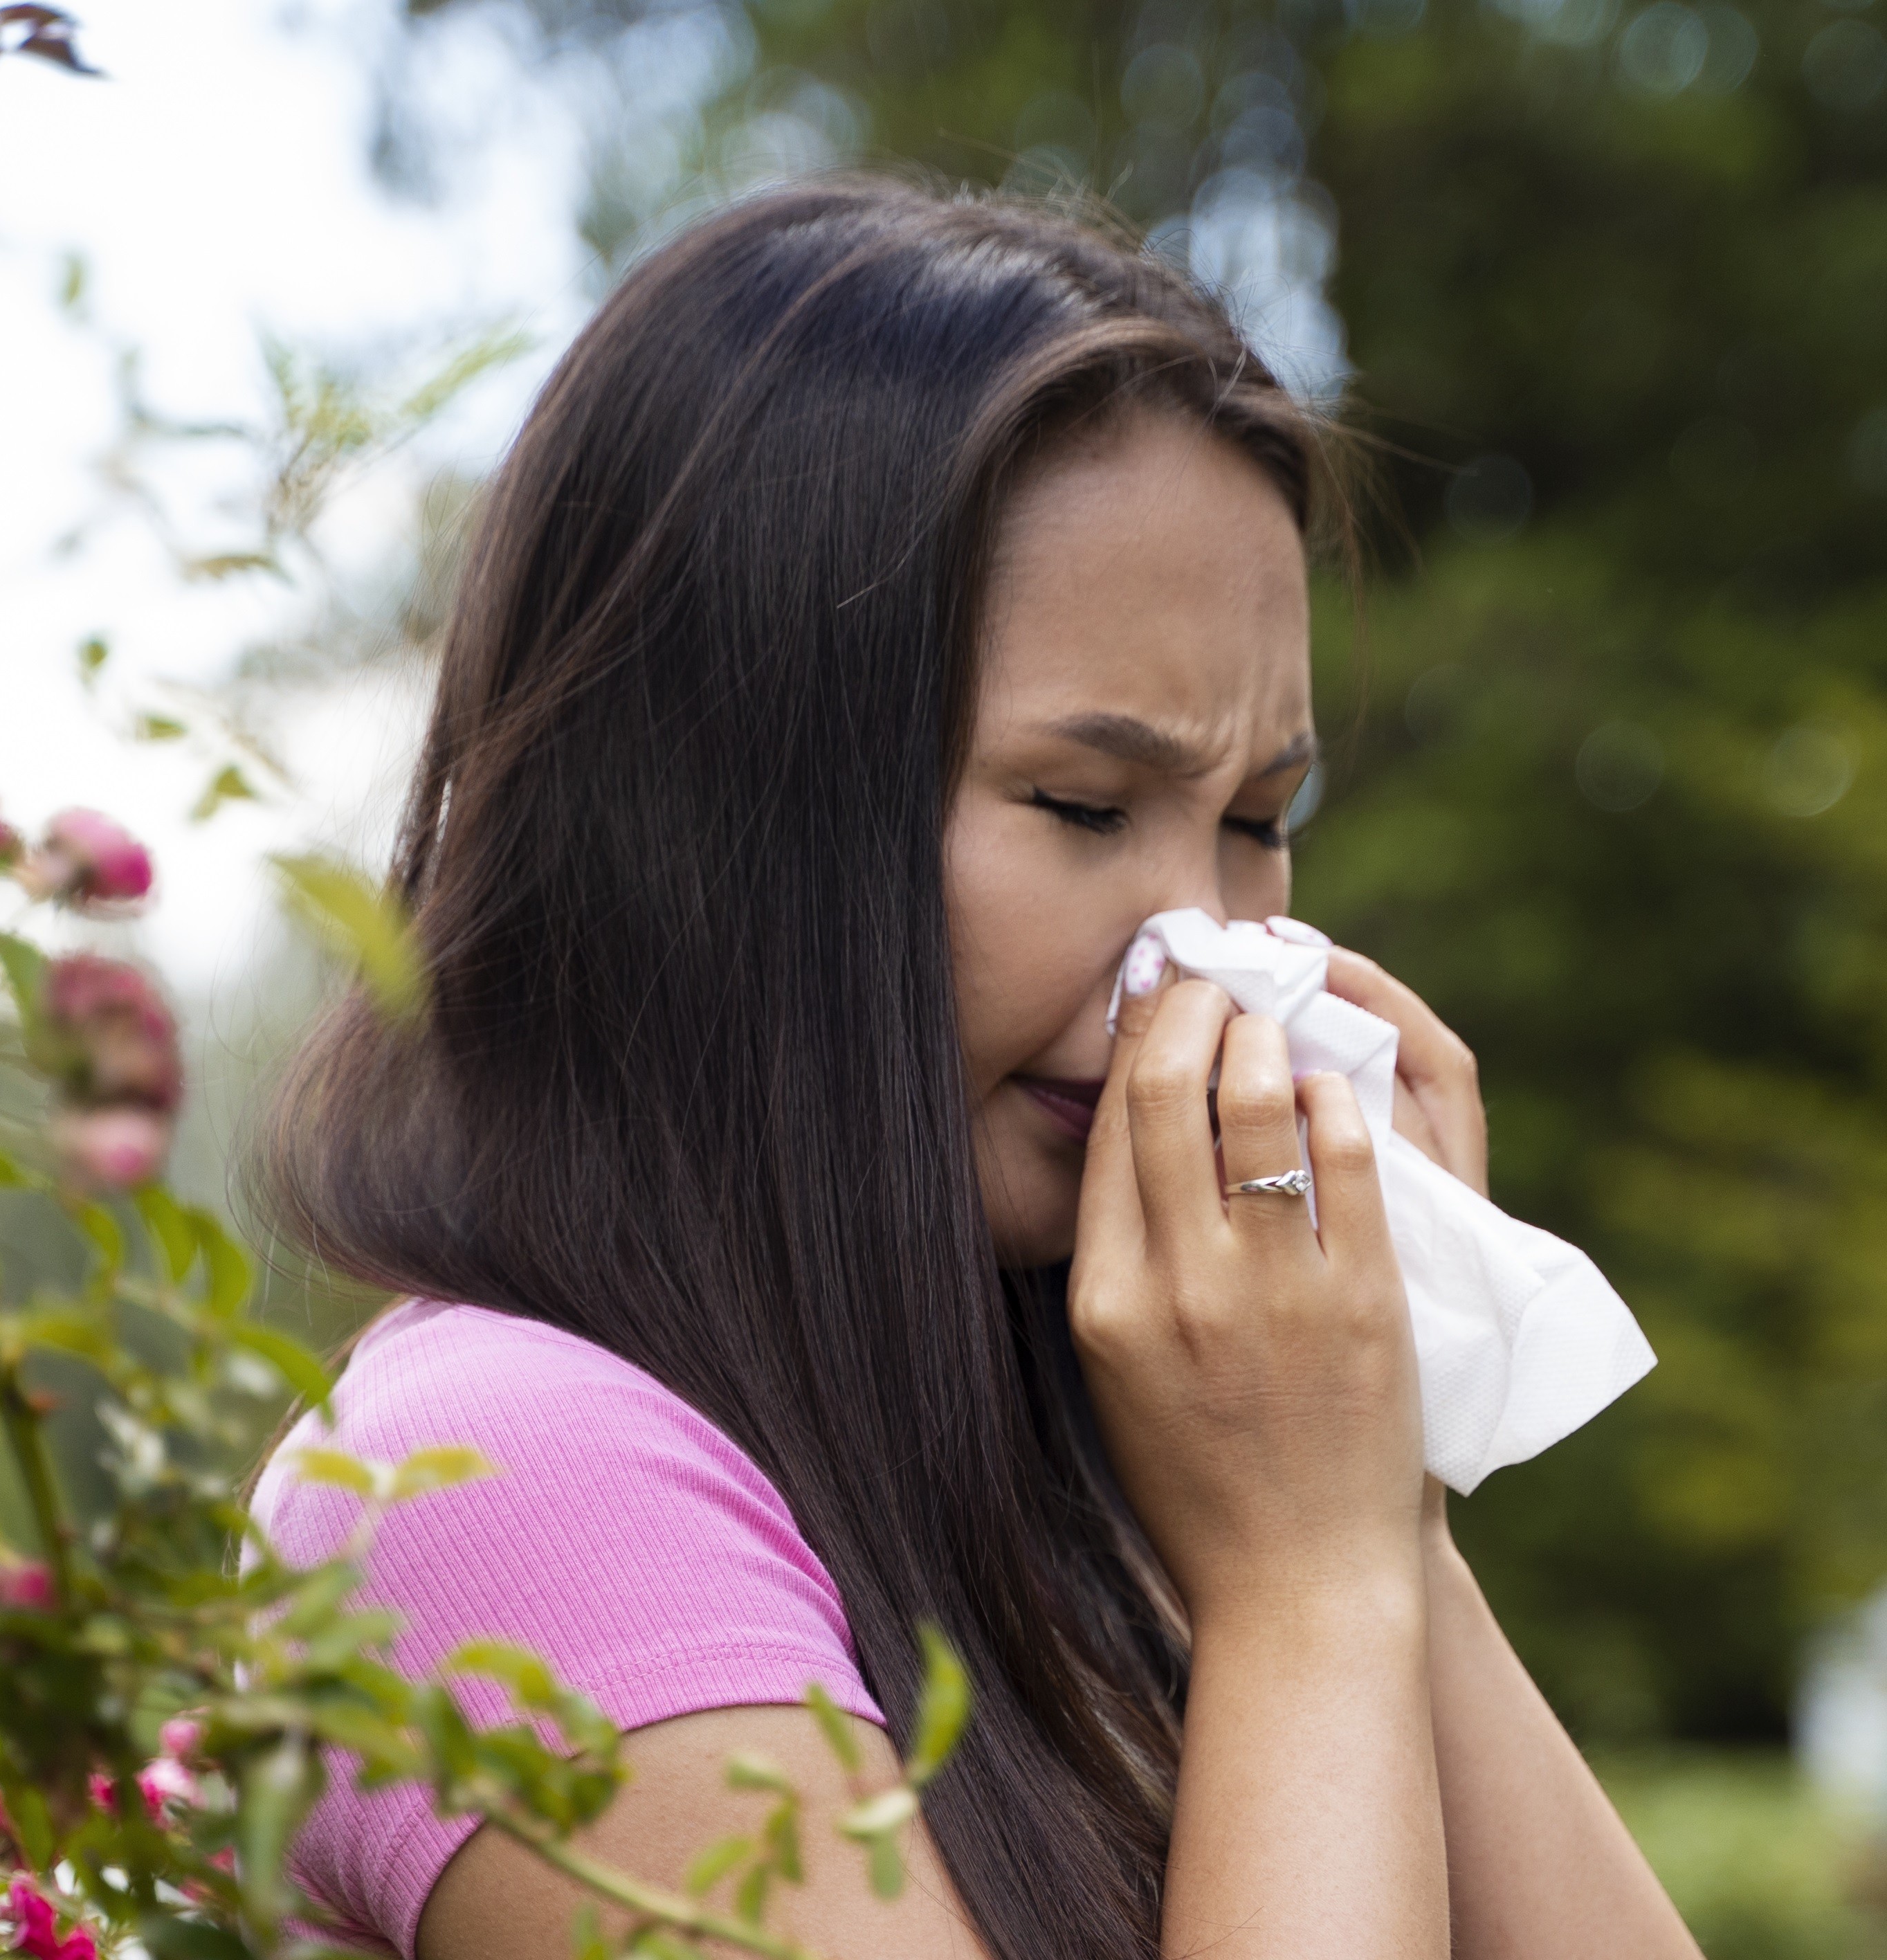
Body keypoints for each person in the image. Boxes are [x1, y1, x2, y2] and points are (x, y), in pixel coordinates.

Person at [248, 179, 1697, 1960]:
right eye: (1084, 808)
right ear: (720, 813)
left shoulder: (1084, 1485)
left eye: (1258, 822)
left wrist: (1373, 1502)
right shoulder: (494, 1487)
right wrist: (1306, 1596)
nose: (1209, 948)